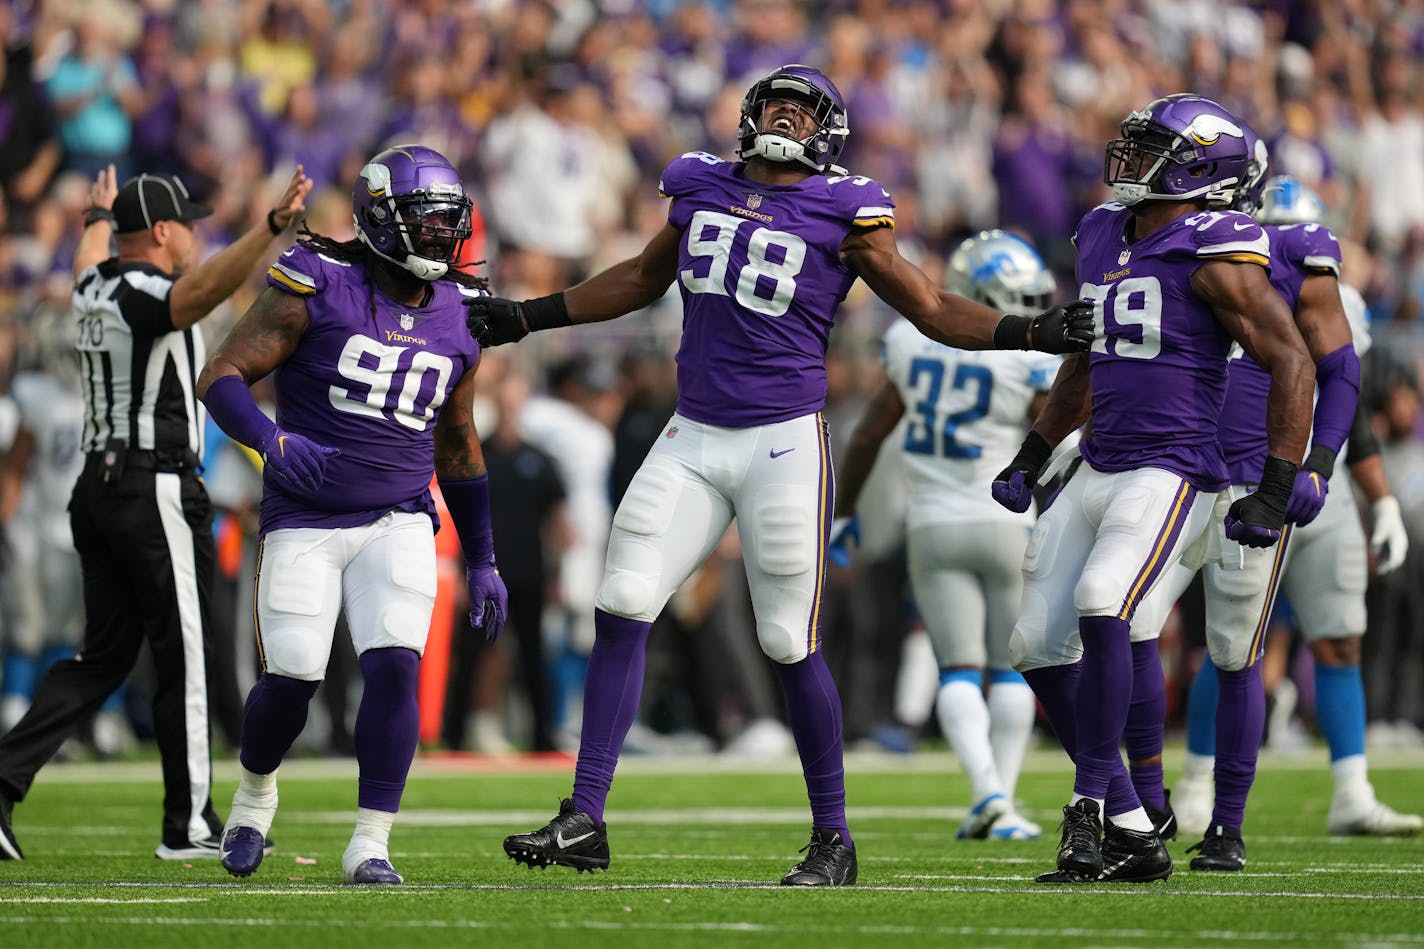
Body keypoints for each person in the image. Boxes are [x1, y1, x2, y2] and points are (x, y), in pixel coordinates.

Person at [467, 64, 1094, 887]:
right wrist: (526, 315)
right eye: (775, 107)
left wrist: (1034, 329)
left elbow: (932, 306)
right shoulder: (697, 186)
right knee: (621, 601)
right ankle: (586, 815)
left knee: (786, 640)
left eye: (801, 112)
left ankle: (833, 838)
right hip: (692, 433)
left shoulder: (847, 209)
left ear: (826, 132)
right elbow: (640, 277)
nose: (785, 120)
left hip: (783, 444)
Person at [995, 95, 1315, 884]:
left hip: (1170, 469)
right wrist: (1035, 452)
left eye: (1151, 148)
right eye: (1133, 146)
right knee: (1032, 644)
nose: (1130, 160)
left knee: (1106, 601)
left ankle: (1087, 810)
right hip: (1099, 462)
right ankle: (1137, 824)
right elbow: (1088, 360)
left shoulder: (1216, 245)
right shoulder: (1105, 231)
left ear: (1202, 166)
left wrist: (1274, 485)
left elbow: (1294, 360)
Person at [197, 144, 508, 886]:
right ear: (379, 220)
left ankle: (370, 841)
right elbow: (222, 375)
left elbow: (458, 443)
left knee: (396, 666)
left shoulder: (460, 314)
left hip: (399, 518)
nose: (440, 236)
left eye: (447, 223)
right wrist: (269, 441)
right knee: (292, 680)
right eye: (423, 222)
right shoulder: (317, 283)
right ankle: (253, 794)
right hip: (303, 515)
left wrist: (483, 555)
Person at [0, 164, 313, 862]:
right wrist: (266, 227)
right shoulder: (148, 289)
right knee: (190, 657)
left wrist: (96, 218)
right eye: (190, 226)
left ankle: (1, 781)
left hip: (99, 487)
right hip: (154, 486)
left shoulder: (92, 282)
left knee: (103, 656)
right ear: (165, 232)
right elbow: (202, 291)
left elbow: (91, 257)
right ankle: (189, 823)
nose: (196, 237)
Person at [1158, 176, 1422, 851]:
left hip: (1314, 487)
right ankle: (1194, 781)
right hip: (1234, 479)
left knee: (1339, 638)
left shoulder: (1336, 297)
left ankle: (1352, 790)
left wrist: (1380, 497)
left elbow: (1347, 400)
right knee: (1227, 645)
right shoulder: (1209, 273)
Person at [828, 230, 1060, 841]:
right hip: (1007, 517)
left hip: (932, 524)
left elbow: (869, 435)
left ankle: (986, 794)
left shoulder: (909, 340)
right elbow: (1060, 428)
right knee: (1011, 669)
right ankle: (1001, 801)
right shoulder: (1023, 352)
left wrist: (843, 514)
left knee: (957, 667)